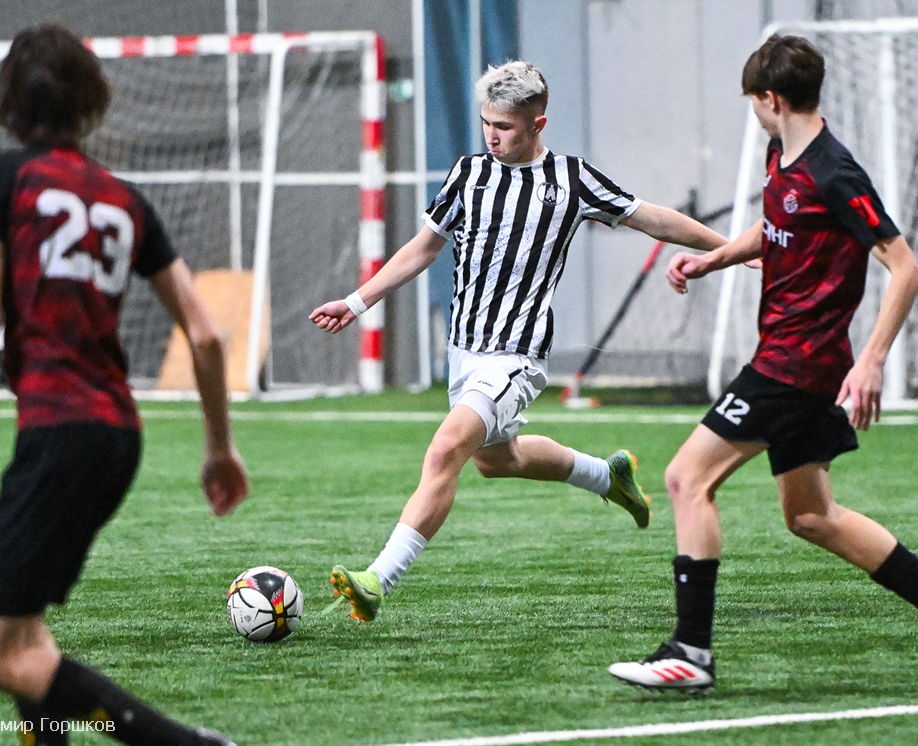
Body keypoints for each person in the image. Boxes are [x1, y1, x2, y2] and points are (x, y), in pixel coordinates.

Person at [607, 35, 918, 695]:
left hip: (796, 364)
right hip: (793, 361)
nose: (753, 112)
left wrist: (872, 361)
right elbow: (777, 228)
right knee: (811, 516)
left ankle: (690, 651)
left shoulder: (835, 173)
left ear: (772, 98)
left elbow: (905, 267)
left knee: (685, 479)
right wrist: (714, 258)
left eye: (753, 101)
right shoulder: (780, 154)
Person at [0, 23, 249, 746]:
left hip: (58, 434)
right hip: (116, 436)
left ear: (7, 100)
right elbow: (206, 334)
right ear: (91, 102)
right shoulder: (124, 198)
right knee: (25, 640)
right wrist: (219, 448)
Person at [310, 60, 729, 623]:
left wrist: (731, 250)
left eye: (503, 126)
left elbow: (651, 218)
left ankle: (377, 580)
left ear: (537, 124)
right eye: (486, 123)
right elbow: (423, 247)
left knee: (445, 450)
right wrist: (356, 301)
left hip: (516, 357)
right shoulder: (468, 174)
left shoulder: (572, 179)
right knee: (495, 460)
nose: (491, 135)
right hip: (465, 353)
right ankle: (608, 476)